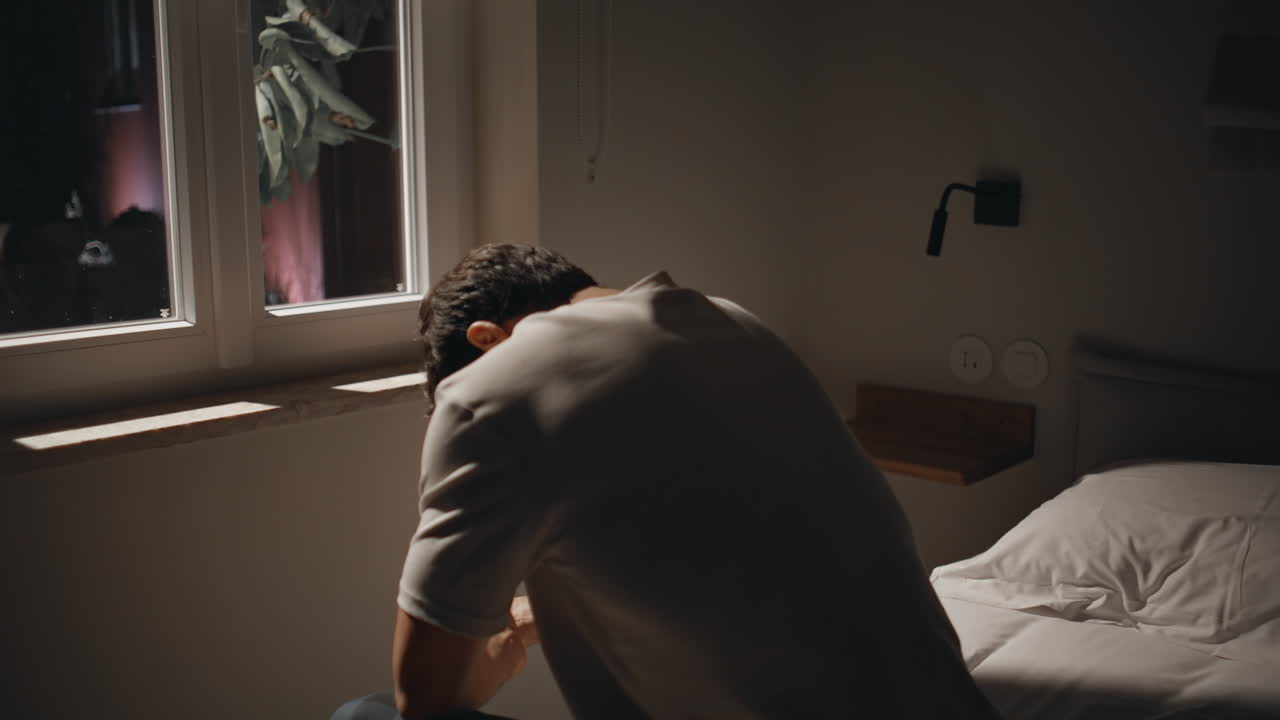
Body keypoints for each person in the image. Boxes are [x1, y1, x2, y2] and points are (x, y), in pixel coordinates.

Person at [335, 244, 999, 719]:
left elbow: (423, 696)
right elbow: (733, 538)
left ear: (485, 339)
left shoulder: (489, 392)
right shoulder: (737, 327)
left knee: (365, 715)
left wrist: (504, 640)